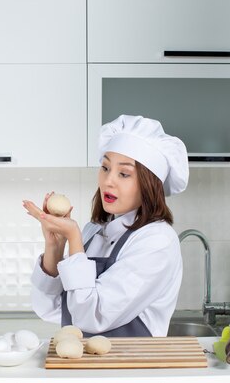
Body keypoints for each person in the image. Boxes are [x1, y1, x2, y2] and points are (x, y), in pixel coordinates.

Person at [22, 115, 189, 337]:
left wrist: (73, 238)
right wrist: (55, 246)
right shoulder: (94, 230)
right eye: (105, 167)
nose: (108, 181)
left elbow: (91, 317)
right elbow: (51, 309)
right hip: (85, 365)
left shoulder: (157, 241)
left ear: (149, 185)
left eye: (124, 174)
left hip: (130, 367)